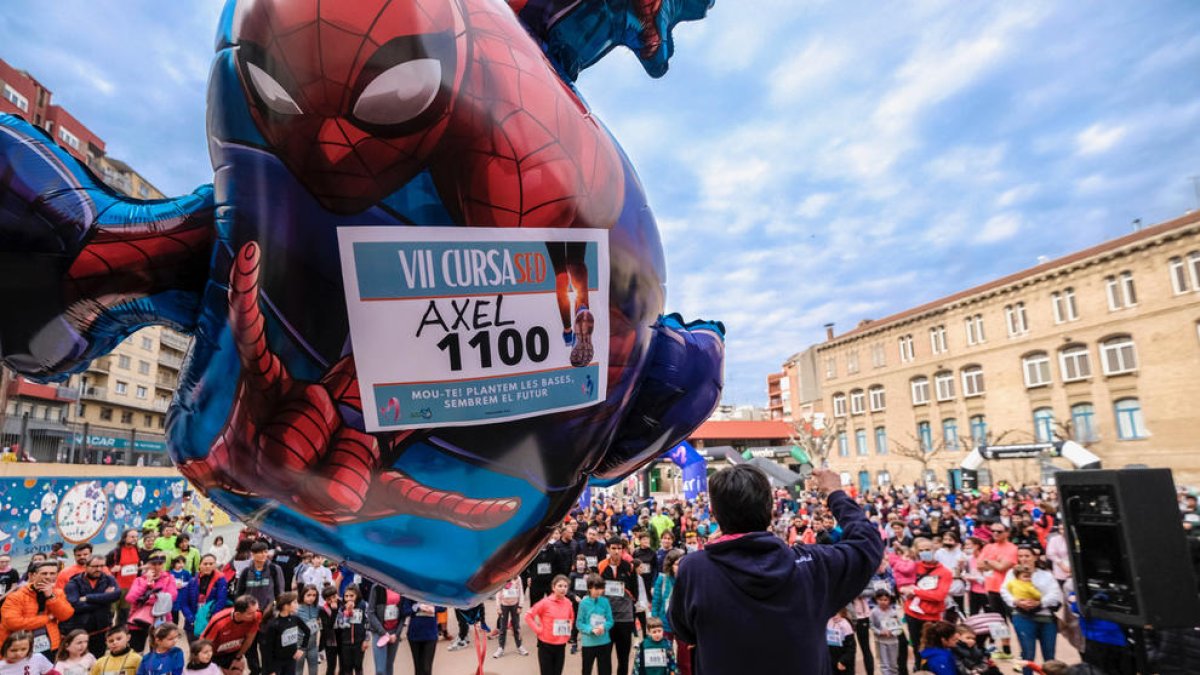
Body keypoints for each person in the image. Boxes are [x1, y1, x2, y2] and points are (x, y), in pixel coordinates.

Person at [669, 467, 883, 673]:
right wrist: (836, 494)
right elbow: (867, 545)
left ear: (713, 513)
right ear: (771, 509)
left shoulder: (695, 569)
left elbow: (682, 628)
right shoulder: (814, 566)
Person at [1000, 547, 1061, 675]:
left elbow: (1055, 594)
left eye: (1027, 556)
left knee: (1049, 655)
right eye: (1020, 556)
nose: (1023, 559)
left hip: (1045, 617)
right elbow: (1004, 591)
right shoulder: (1012, 573)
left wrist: (1040, 603)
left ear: (1035, 557)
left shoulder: (1046, 574)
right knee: (1028, 654)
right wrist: (1017, 602)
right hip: (1022, 616)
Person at [0, 560, 75, 660]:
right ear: (33, 575)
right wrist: (47, 618)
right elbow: (12, 623)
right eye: (44, 573)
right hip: (18, 647)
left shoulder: (57, 593)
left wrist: (50, 597)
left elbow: (66, 615)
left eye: (52, 573)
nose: (48, 576)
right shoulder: (16, 596)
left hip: (50, 644)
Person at [899, 537, 952, 670]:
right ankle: (918, 668)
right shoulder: (914, 567)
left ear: (934, 550)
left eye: (927, 549)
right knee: (916, 645)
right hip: (912, 613)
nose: (924, 552)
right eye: (921, 550)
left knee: (931, 646)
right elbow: (902, 583)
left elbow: (939, 596)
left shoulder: (945, 572)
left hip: (931, 617)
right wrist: (904, 589)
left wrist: (917, 591)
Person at [596, 538, 638, 675]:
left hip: (624, 619)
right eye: (613, 548)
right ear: (608, 549)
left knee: (623, 657)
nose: (616, 551)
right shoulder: (601, 566)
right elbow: (594, 590)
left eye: (619, 548)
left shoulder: (629, 567)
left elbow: (635, 592)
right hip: (605, 619)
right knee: (604, 657)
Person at [979, 523, 1018, 659]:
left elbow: (1003, 567)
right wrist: (995, 562)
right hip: (991, 588)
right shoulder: (988, 546)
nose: (995, 533)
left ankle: (1023, 650)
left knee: (1015, 620)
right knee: (998, 621)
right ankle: (1005, 648)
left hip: (1009, 590)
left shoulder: (1012, 548)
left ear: (1007, 533)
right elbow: (979, 565)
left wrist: (988, 561)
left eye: (999, 531)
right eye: (993, 531)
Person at [125, 553, 178, 653]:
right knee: (136, 651)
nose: (157, 567)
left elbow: (171, 597)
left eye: (160, 564)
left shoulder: (169, 578)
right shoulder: (140, 580)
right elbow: (130, 598)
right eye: (153, 564)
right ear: (147, 565)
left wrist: (146, 598)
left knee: (159, 651)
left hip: (161, 620)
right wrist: (147, 583)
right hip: (139, 620)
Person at [201, 596, 262, 675]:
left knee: (237, 670)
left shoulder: (256, 617)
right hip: (214, 654)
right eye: (250, 613)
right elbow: (204, 643)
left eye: (256, 610)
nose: (255, 615)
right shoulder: (219, 621)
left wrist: (238, 657)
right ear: (238, 614)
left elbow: (249, 640)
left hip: (233, 652)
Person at [526, 575, 574, 675]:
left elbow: (571, 617)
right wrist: (538, 629)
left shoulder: (568, 603)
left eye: (565, 586)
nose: (563, 589)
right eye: (560, 586)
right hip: (546, 645)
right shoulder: (545, 603)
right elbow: (528, 616)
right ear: (553, 587)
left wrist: (569, 627)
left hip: (561, 645)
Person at [260, 592, 310, 675]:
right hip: (276, 663)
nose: (297, 605)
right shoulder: (273, 624)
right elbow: (267, 650)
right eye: (294, 602)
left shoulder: (295, 618)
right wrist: (270, 670)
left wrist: (302, 648)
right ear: (285, 605)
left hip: (291, 660)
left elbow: (307, 631)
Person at [107, 531, 147, 626]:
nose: (134, 539)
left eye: (136, 537)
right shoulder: (116, 552)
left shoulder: (137, 550)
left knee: (124, 613)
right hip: (116, 588)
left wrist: (140, 568)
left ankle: (120, 632)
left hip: (130, 587)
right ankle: (107, 634)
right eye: (132, 536)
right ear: (124, 537)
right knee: (110, 613)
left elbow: (135, 566)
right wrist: (112, 570)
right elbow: (104, 568)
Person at [576, 575, 613, 675]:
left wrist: (603, 627)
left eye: (601, 588)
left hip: (604, 642)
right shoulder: (583, 603)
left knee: (605, 671)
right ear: (589, 588)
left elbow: (610, 620)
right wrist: (591, 630)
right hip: (588, 643)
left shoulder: (605, 601)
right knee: (586, 670)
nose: (599, 591)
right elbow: (579, 623)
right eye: (596, 588)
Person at [365, 585, 402, 675]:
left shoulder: (401, 587)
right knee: (380, 670)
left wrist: (396, 634)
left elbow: (403, 615)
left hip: (394, 632)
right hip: (380, 632)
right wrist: (383, 632)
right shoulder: (377, 588)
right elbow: (370, 612)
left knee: (389, 666)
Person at [400, 598, 442, 675]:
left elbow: (443, 606)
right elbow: (404, 610)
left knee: (427, 669)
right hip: (415, 633)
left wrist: (434, 608)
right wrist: (418, 607)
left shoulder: (434, 589)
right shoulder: (411, 591)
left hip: (431, 633)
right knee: (418, 669)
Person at [334, 585, 366, 675]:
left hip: (359, 642)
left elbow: (367, 623)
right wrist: (347, 613)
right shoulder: (342, 608)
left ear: (357, 595)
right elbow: (339, 624)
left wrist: (366, 640)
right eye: (346, 596)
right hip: (345, 643)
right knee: (347, 668)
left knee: (358, 666)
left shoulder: (363, 605)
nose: (349, 599)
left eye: (352, 596)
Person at [492, 576, 527, 658]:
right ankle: (501, 648)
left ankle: (519, 646)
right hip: (504, 606)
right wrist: (498, 607)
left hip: (515, 606)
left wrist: (520, 606)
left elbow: (521, 592)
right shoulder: (502, 577)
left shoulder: (518, 578)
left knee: (516, 627)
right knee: (502, 628)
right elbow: (498, 593)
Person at [869, 591, 903, 675]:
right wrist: (880, 632)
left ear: (889, 600)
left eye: (885, 600)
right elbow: (871, 625)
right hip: (881, 641)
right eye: (880, 599)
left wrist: (893, 632)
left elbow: (899, 627)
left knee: (893, 664)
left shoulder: (893, 612)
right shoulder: (874, 612)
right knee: (884, 665)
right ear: (876, 600)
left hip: (893, 641)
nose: (883, 602)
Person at [293, 587, 320, 675]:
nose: (311, 598)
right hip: (299, 646)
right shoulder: (296, 610)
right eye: (308, 595)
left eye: (314, 595)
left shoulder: (318, 608)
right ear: (302, 595)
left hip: (313, 646)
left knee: (314, 672)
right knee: (298, 672)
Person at [826, 607, 855, 674]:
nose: (835, 615)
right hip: (831, 662)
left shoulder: (846, 625)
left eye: (837, 612)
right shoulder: (828, 622)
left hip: (843, 664)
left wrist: (843, 661)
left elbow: (851, 648)